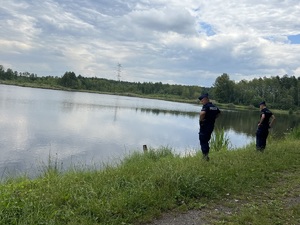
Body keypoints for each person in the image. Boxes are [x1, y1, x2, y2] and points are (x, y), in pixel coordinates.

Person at [198, 93, 221, 161]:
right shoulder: (214, 106)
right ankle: (206, 155)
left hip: (204, 126)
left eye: (202, 101)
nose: (201, 102)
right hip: (211, 126)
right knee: (206, 140)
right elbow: (219, 113)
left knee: (203, 140)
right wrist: (213, 118)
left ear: (205, 99)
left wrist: (201, 120)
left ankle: (205, 157)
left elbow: (202, 113)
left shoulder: (206, 106)